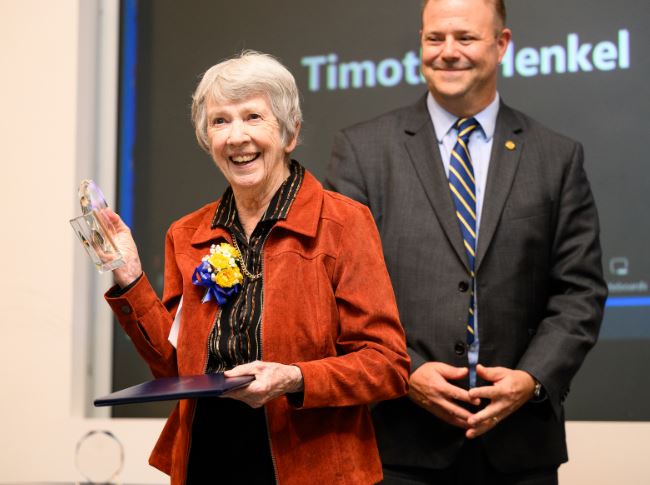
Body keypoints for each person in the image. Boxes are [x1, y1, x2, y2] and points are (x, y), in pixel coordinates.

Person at [326, 0, 607, 483]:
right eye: (435, 39)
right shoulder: (362, 152)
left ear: (502, 45)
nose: (448, 52)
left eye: (466, 38)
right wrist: (404, 373)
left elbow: (579, 291)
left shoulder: (556, 157)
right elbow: (335, 287)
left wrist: (531, 379)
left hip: (521, 448)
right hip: (398, 443)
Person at [104, 50, 410, 485]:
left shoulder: (344, 223)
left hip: (312, 463)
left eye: (253, 117)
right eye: (220, 121)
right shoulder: (186, 234)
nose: (236, 136)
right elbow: (174, 372)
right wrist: (130, 277)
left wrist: (294, 378)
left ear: (289, 133)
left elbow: (388, 366)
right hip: (207, 458)